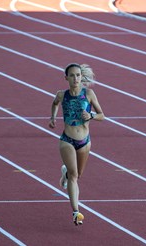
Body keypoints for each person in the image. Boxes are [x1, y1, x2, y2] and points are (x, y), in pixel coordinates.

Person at [49, 63, 104, 225]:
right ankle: (76, 212)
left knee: (77, 174)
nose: (76, 78)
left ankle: (65, 173)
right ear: (66, 78)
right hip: (67, 139)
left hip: (84, 141)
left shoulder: (89, 94)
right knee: (74, 177)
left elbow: (102, 115)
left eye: (78, 75)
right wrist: (53, 117)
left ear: (81, 77)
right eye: (72, 75)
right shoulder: (61, 95)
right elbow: (54, 103)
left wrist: (92, 116)